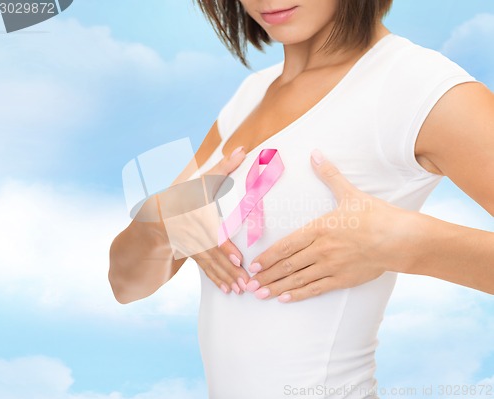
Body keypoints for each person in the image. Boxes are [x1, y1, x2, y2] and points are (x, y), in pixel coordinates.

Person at [109, 1, 494, 397]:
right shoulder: (251, 94)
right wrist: (158, 222)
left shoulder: (421, 87)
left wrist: (409, 245)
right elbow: (127, 286)